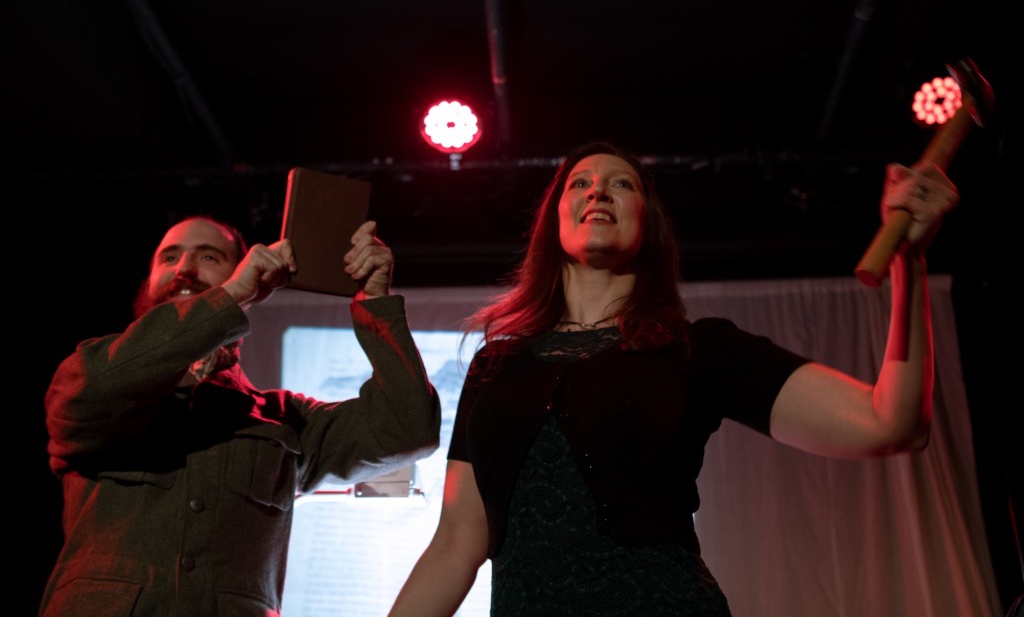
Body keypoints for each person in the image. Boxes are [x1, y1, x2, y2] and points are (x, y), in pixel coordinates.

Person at [388, 141, 959, 616]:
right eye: (580, 183)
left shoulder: (694, 348)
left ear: (649, 223)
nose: (598, 191)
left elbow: (890, 423)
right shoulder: (496, 365)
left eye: (621, 184)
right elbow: (456, 543)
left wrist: (909, 263)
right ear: (552, 220)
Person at [40, 215, 441, 616]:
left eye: (208, 257)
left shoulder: (285, 420)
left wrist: (375, 304)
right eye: (169, 258)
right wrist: (228, 296)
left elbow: (408, 428)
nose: (184, 269)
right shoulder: (90, 373)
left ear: (249, 275)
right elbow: (84, 400)